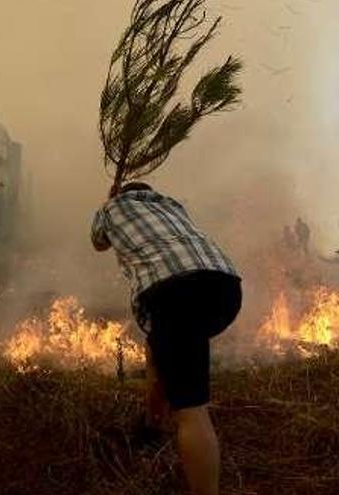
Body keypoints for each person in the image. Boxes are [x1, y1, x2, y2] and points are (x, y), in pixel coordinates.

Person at [91, 182, 241, 495]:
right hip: (224, 285)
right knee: (159, 347)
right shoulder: (173, 205)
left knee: (191, 410)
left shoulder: (111, 208)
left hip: (175, 290)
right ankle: (151, 422)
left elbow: (98, 243)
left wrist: (109, 203)